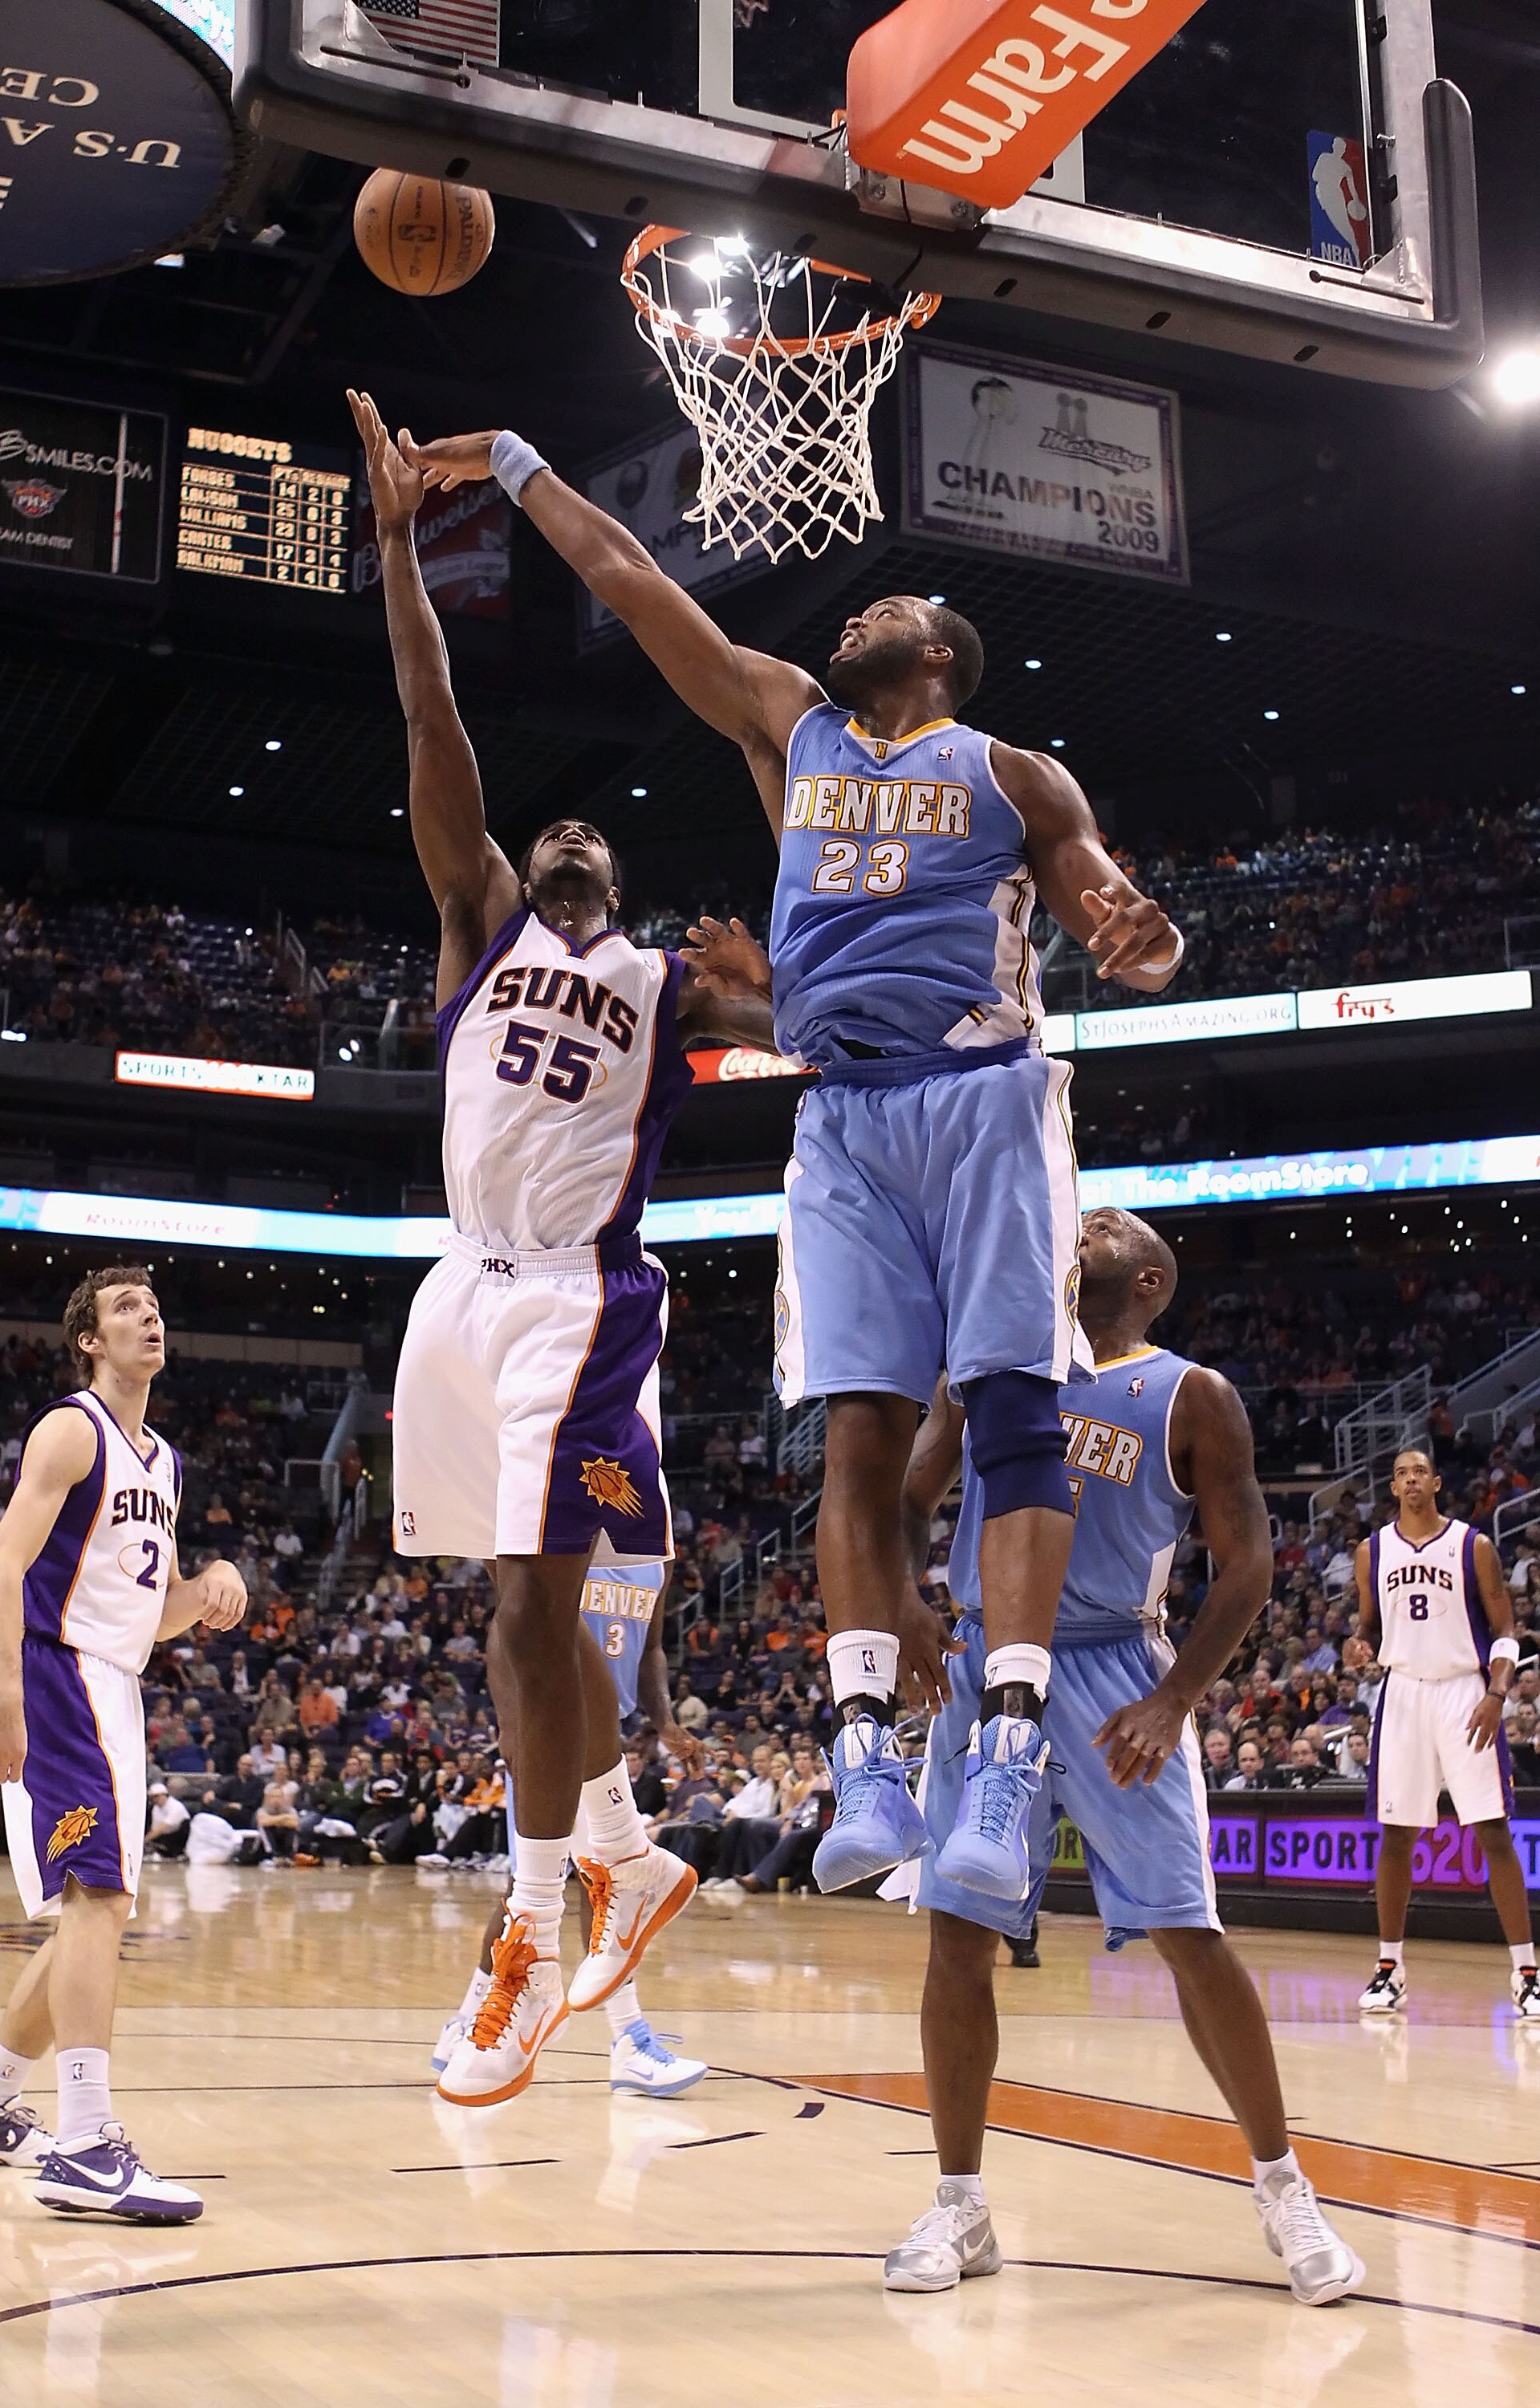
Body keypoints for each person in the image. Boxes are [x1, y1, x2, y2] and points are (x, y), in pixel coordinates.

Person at [403, 421, 1180, 1908]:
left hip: (982, 1092)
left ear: (945, 657)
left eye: (893, 611)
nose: (860, 613)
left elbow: (1111, 910)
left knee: (1013, 1414)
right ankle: (870, 1751)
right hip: (842, 1116)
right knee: (858, 1437)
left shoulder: (1015, 775)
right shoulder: (791, 721)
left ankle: (1008, 1758)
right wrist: (510, 463)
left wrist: (1149, 942)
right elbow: (633, 583)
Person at [350, 390, 778, 2105]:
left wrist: (784, 968)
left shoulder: (666, 983)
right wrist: (395, 547)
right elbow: (430, 714)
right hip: (461, 1291)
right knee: (512, 1624)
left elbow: (807, 1001)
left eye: (599, 836)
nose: (574, 833)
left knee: (543, 1599)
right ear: (524, 871)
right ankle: (622, 1844)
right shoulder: (477, 928)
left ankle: (535, 1927)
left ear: (625, 886)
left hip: (583, 1297)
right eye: (556, 834)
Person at [884, 1206, 1361, 2304]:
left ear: (1149, 1278)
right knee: (957, 1940)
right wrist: (906, 1599)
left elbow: (1248, 1565)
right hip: (985, 1660)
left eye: (1103, 1226)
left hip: (1112, 1678)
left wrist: (1176, 1696)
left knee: (1190, 1935)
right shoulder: (994, 1360)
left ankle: (1286, 2191)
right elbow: (908, 1499)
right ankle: (960, 2207)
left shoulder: (1193, 1393)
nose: (1079, 1226)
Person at [0, 1265, 246, 2220]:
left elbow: (147, 1615)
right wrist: (3, 1699)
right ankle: (84, 2140)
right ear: (89, 1339)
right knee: (98, 1899)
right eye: (126, 1309)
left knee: (90, 1912)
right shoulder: (73, 1429)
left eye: (154, 1306)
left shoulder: (167, 1462)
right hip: (58, 1675)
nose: (148, 1318)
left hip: (114, 1681)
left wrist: (209, 1591)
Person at [433, 1564, 707, 2100]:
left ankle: (465, 2023)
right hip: (554, 1742)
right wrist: (517, 1740)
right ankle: (628, 2041)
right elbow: (512, 1628)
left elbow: (649, 1647)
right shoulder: (563, 1534)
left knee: (552, 1887)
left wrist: (665, 1720)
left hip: (605, 1739)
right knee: (588, 1882)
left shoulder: (654, 1550)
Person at [1354, 1445, 1539, 2020]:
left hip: (1465, 1692)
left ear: (1436, 1484)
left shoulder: (1472, 1545)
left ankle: (1527, 1972)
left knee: (1492, 1830)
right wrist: (1357, 1649)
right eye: (1401, 1474)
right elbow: (1366, 1629)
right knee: (1397, 1834)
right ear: (1392, 1488)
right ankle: (1390, 1969)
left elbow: (1507, 1631)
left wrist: (1496, 1693)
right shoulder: (1371, 1551)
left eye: (1420, 1473)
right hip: (1403, 1692)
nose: (1411, 1481)